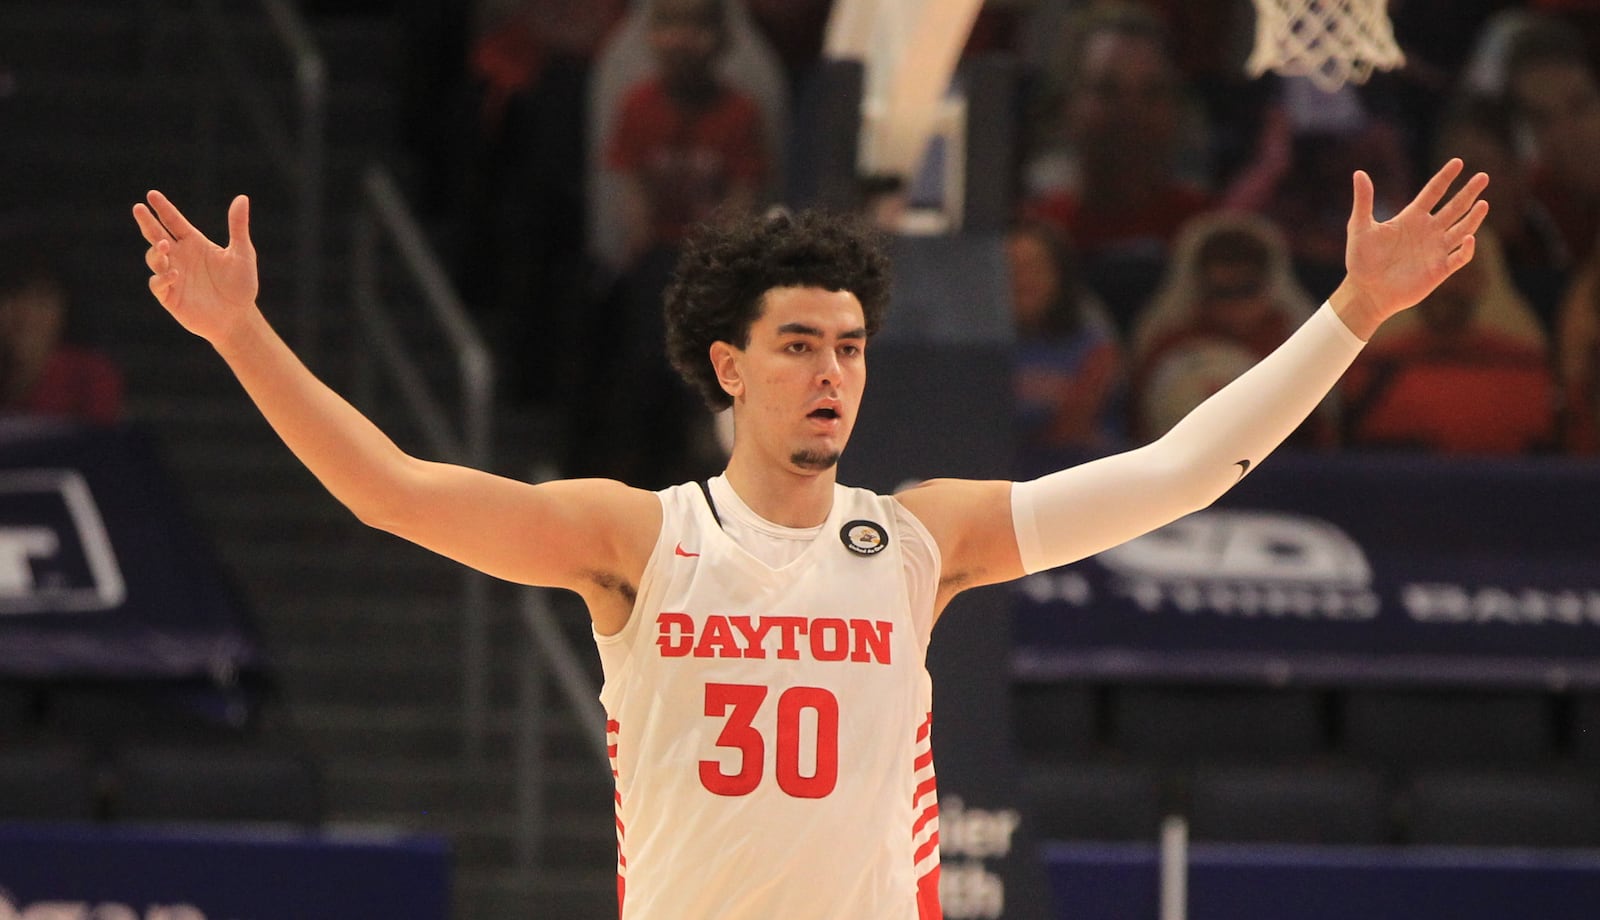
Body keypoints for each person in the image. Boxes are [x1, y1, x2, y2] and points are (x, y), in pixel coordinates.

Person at [131, 155, 1487, 919]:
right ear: (729, 365)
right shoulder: (634, 537)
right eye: (797, 346)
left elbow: (1183, 470)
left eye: (849, 347)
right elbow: (392, 492)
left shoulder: (921, 542)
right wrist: (242, 332)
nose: (831, 371)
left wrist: (1352, 314)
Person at [1127, 210, 1334, 446]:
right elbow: (1140, 428)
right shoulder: (1169, 346)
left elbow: (1320, 437)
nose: (1234, 306)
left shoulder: (1296, 347)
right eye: (1221, 293)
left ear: (1269, 286)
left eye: (1246, 290)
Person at [1342, 230, 1557, 455]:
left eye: (1460, 272)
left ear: (1481, 281)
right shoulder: (1377, 363)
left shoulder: (1520, 363)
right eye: (1433, 271)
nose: (1446, 285)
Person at [0, 246, 123, 426]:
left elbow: (102, 445)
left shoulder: (89, 377)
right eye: (12, 297)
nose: (24, 313)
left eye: (40, 300)